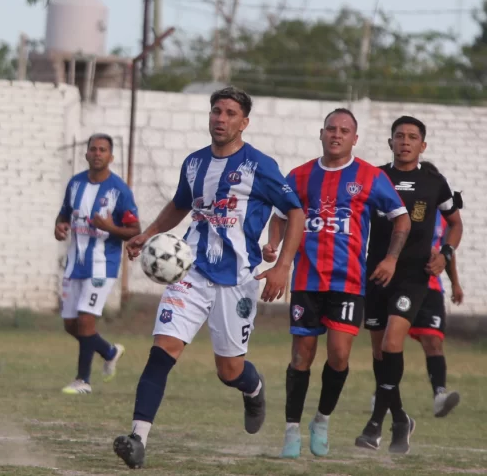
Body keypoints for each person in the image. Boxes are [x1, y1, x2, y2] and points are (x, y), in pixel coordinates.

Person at [112, 87, 305, 469]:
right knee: (163, 351)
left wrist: (283, 266)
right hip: (191, 273)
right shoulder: (195, 163)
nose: (221, 118)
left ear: (244, 122)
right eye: (216, 111)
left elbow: (295, 211)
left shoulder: (259, 166)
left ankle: (253, 387)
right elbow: (180, 204)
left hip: (238, 280)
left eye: (230, 113)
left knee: (229, 370)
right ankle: (137, 438)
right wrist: (148, 234)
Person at [263, 108, 410, 459]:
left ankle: (322, 420)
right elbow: (280, 216)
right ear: (322, 133)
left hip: (349, 282)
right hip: (307, 280)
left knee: (340, 355)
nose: (336, 135)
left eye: (344, 130)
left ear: (354, 139)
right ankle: (291, 430)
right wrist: (273, 245)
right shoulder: (300, 176)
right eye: (331, 128)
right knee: (301, 355)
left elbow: (402, 219)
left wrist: (391, 258)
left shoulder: (370, 176)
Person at [356, 116, 463, 454]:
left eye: (412, 137)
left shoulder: (435, 182)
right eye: (399, 136)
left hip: (414, 277)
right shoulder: (373, 177)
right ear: (390, 142)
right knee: (379, 353)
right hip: (376, 273)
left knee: (392, 342)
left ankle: (375, 424)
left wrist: (445, 254)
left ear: (422, 145)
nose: (405, 142)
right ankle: (401, 419)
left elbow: (455, 224)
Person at [369, 165, 464, 418]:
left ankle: (439, 395)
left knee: (433, 341)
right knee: (387, 343)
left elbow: (447, 250)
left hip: (429, 285)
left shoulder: (443, 215)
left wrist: (455, 283)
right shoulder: (397, 210)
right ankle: (383, 394)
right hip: (396, 280)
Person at [54, 133, 141, 395]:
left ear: (111, 157)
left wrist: (109, 227)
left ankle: (83, 381)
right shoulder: (75, 183)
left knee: (85, 322)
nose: (97, 154)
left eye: (103, 150)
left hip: (103, 265)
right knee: (71, 325)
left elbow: (135, 230)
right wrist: (60, 226)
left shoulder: (119, 190)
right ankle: (109, 352)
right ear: (86, 154)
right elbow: (64, 215)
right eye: (93, 149)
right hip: (75, 264)